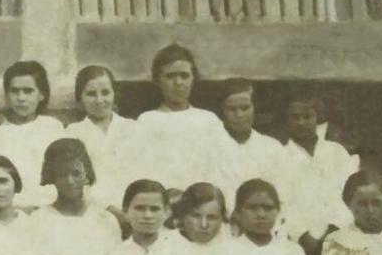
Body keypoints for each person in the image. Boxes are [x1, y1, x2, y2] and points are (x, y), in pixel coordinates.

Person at [132, 44, 237, 195]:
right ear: (157, 80)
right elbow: (141, 169)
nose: (178, 83)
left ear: (193, 79)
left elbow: (225, 168)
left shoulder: (208, 120)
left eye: (184, 75)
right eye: (170, 76)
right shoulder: (147, 121)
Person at [281, 91, 360, 255]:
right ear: (287, 120)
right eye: (295, 117)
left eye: (307, 116)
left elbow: (349, 195)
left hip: (339, 237)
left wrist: (333, 231)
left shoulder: (337, 152)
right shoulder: (278, 156)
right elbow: (281, 203)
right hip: (297, 245)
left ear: (317, 118)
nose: (301, 122)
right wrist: (303, 236)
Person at [0, 61, 64, 207]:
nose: (21, 98)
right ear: (6, 95)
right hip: (9, 208)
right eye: (15, 91)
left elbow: (61, 176)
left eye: (28, 91)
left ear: (41, 94)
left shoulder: (53, 128)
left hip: (49, 207)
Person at [64, 65, 139, 214]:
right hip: (95, 209)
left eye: (105, 92)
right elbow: (77, 182)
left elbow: (143, 170)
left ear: (114, 94)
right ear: (80, 98)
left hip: (136, 207)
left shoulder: (133, 128)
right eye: (91, 94)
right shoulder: (73, 133)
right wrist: (109, 208)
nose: (99, 100)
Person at [218, 79, 291, 212]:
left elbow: (284, 195)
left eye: (245, 108)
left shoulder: (272, 148)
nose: (239, 115)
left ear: (255, 108)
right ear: (222, 111)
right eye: (232, 109)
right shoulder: (209, 147)